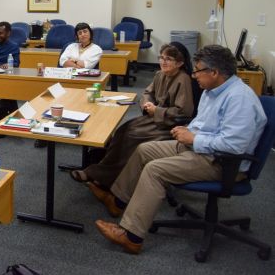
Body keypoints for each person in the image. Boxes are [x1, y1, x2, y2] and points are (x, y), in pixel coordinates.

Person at [92, 45, 266, 254]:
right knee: (144, 150)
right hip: (200, 148)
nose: (194, 75)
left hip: (222, 162)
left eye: (198, 70)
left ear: (215, 72)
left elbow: (233, 146)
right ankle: (118, 201)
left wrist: (194, 138)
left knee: (155, 170)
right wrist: (188, 130)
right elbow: (205, 124)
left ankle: (131, 236)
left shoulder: (239, 99)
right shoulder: (212, 90)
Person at [70, 42, 196, 187]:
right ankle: (101, 169)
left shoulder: (183, 79)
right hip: (154, 118)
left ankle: (101, 176)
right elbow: (148, 93)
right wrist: (147, 104)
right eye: (161, 57)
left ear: (180, 63)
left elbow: (183, 112)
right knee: (122, 131)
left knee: (132, 136)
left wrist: (157, 110)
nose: (163, 62)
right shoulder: (160, 74)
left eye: (168, 59)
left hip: (170, 125)